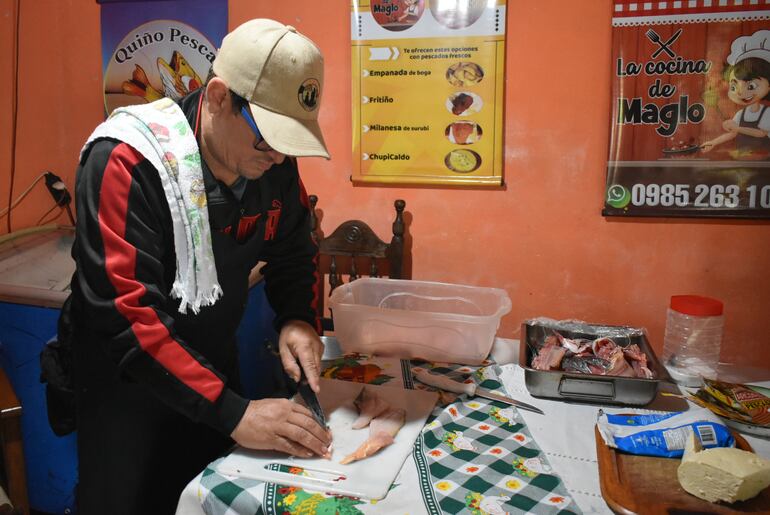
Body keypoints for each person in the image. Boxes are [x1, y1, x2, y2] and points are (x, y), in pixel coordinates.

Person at [60, 19, 332, 514]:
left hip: (209, 367)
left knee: (207, 500)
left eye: (289, 143)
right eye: (267, 139)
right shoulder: (127, 160)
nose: (277, 157)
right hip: (127, 387)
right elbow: (128, 320)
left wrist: (297, 318)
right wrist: (233, 412)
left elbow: (294, 249)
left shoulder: (272, 164)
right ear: (221, 96)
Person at [702, 30, 770, 158]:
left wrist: (738, 128)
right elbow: (732, 133)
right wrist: (713, 142)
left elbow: (762, 133)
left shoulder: (767, 113)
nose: (740, 92)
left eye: (751, 86)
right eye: (733, 86)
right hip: (744, 159)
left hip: (764, 160)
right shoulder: (741, 114)